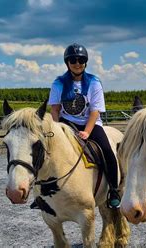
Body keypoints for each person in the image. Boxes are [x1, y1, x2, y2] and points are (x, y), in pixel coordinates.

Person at [48, 43, 121, 209]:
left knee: (108, 151)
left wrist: (87, 132)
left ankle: (114, 190)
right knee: (46, 150)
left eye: (81, 60)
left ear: (85, 62)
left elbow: (95, 111)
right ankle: (42, 193)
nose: (77, 63)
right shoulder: (58, 83)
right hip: (66, 122)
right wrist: (57, 129)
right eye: (73, 60)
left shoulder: (94, 83)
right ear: (67, 63)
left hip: (91, 123)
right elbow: (55, 109)